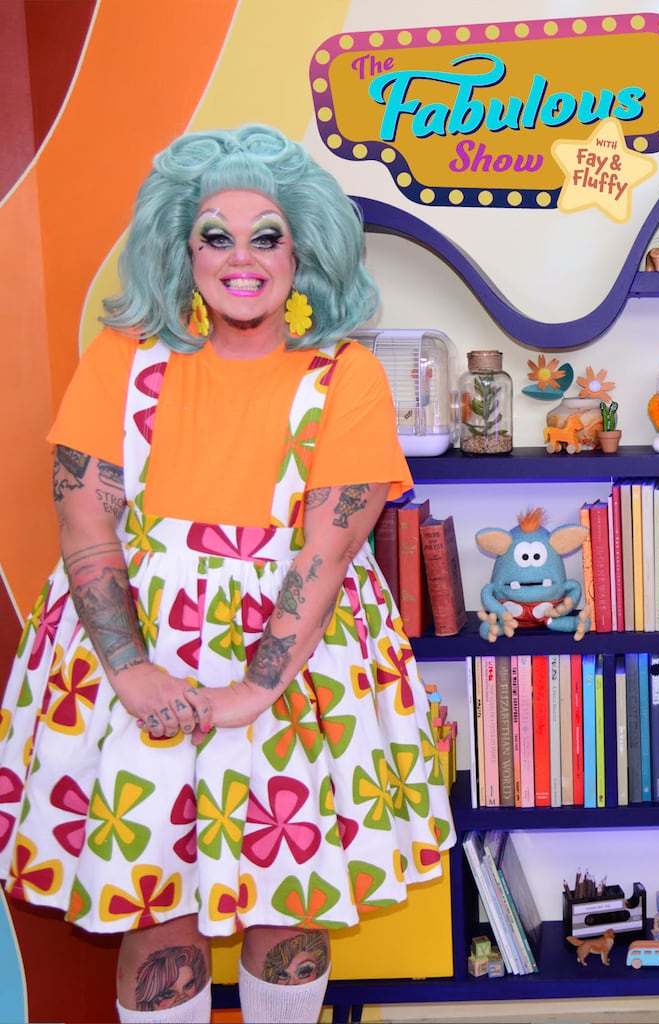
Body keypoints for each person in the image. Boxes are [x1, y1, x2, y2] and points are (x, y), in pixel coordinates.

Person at [0, 124, 455, 1023]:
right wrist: (132, 670)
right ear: (182, 250)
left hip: (297, 663)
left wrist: (254, 687)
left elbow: (327, 550)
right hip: (132, 657)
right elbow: (85, 520)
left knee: (291, 908)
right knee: (155, 909)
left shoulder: (348, 376)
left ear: (302, 252)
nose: (240, 258)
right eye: (215, 235)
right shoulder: (123, 360)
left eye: (266, 236)